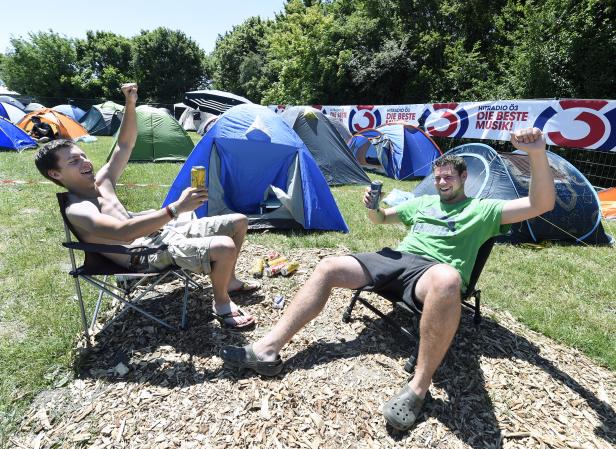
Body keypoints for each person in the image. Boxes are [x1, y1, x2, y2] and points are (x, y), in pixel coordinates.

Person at [220, 127, 555, 430]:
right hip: (395, 260)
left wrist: (537, 153)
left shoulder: (482, 210)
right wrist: (372, 206)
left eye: (448, 177)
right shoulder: (422, 202)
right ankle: (267, 349)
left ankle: (417, 389)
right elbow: (380, 219)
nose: (441, 183)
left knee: (448, 279)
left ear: (464, 177)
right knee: (328, 266)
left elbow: (540, 203)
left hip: (432, 272)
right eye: (437, 177)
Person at [34, 83, 258, 329]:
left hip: (160, 236)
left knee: (239, 221)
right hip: (139, 256)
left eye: (83, 156)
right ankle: (222, 302)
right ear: (56, 174)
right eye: (74, 161)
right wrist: (175, 209)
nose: (85, 161)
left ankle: (229, 281)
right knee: (224, 246)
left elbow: (125, 145)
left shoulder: (103, 182)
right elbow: (125, 233)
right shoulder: (78, 209)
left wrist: (130, 104)